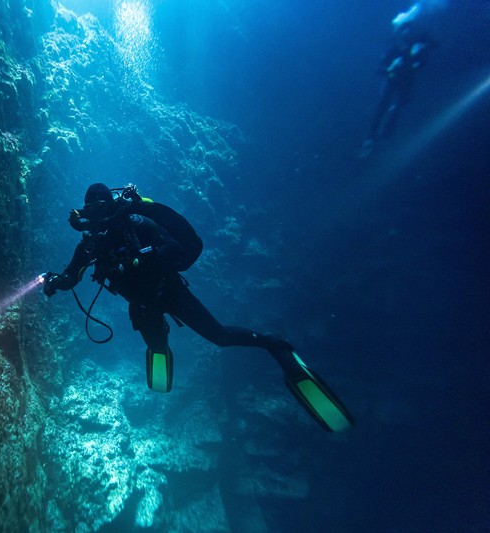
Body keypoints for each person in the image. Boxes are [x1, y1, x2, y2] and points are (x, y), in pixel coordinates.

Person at [43, 183, 354, 432]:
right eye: (91, 210)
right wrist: (56, 281)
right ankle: (162, 339)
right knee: (157, 345)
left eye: (101, 207)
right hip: (142, 305)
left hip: (170, 292)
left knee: (219, 336)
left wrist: (141, 258)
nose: (96, 216)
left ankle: (275, 346)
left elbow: (177, 248)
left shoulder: (135, 223)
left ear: (110, 205)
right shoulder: (88, 246)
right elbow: (72, 275)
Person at [360, 3, 437, 156]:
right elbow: (381, 69)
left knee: (396, 107)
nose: (407, 32)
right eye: (404, 29)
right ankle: (372, 138)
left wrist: (421, 50)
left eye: (409, 28)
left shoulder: (417, 46)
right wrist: (392, 68)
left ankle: (384, 137)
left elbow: (430, 50)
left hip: (405, 81)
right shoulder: (394, 48)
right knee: (384, 107)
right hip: (393, 80)